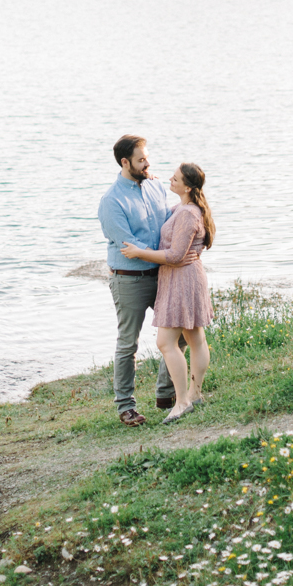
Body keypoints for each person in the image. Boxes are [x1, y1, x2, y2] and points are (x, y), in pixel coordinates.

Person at [98, 135, 192, 427]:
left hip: (163, 274)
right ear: (125, 163)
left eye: (147, 157)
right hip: (130, 280)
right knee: (128, 343)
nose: (148, 163)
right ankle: (125, 406)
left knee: (180, 334)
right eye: (141, 159)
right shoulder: (111, 201)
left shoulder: (153, 186)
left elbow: (168, 221)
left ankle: (166, 393)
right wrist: (170, 255)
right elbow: (130, 245)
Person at [120, 162, 215, 423]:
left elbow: (174, 256)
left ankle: (183, 401)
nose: (169, 181)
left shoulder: (187, 214)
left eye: (174, 179)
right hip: (183, 278)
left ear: (187, 186)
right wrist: (149, 180)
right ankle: (194, 395)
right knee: (195, 339)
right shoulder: (182, 208)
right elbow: (165, 213)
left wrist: (139, 253)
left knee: (166, 343)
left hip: (182, 279)